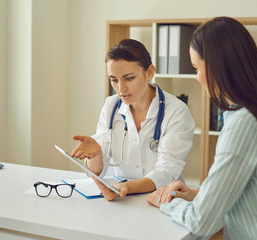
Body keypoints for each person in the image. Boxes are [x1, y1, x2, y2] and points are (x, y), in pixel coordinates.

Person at [146, 17, 257, 239]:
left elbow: (202, 222)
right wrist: (198, 195)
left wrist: (165, 203)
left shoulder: (243, 123)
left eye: (196, 68)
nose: (197, 78)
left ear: (217, 66)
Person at [71, 39, 195, 201]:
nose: (121, 88)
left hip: (163, 199)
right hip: (122, 197)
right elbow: (98, 172)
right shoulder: (111, 106)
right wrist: (96, 154)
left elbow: (167, 171)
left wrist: (128, 188)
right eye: (114, 80)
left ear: (149, 72)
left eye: (129, 78)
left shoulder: (176, 112)